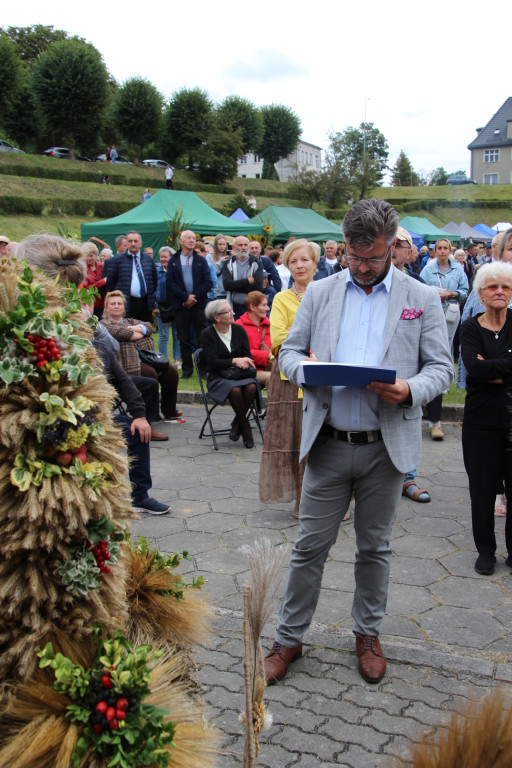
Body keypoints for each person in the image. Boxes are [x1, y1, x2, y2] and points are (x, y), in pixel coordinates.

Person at [263, 199, 453, 687]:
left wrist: (410, 389)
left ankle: (367, 634)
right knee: (309, 546)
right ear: (344, 247)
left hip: (385, 449)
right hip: (327, 443)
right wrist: (307, 370)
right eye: (354, 256)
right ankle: (289, 638)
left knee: (375, 548)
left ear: (393, 248)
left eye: (372, 258)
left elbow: (442, 370)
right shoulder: (322, 291)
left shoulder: (421, 296)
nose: (362, 267)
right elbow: (286, 352)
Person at [258, 239, 320, 518]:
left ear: (315, 263)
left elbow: (334, 333)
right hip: (289, 379)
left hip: (322, 374)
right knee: (294, 440)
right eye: (293, 261)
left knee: (324, 441)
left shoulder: (327, 293)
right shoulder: (282, 298)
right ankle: (300, 500)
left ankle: (329, 502)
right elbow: (279, 338)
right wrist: (308, 335)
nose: (299, 265)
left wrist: (298, 332)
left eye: (304, 259)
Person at [460, 261, 512, 575]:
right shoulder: (469, 328)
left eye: (505, 286)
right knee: (481, 489)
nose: (499, 292)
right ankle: (486, 552)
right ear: (481, 294)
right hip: (479, 421)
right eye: (492, 287)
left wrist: (489, 367)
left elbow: (483, 369)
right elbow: (473, 370)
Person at [100, 290, 184, 424]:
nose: (116, 306)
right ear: (106, 307)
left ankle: (169, 411)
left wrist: (134, 329)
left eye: (119, 303)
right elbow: (124, 334)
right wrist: (138, 331)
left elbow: (149, 327)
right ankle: (151, 415)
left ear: (123, 307)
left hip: (146, 358)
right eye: (113, 304)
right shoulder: (104, 324)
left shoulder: (129, 320)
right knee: (150, 375)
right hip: (126, 364)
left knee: (171, 372)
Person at [391, 227, 431, 503]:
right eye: (389, 243)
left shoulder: (420, 288)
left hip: (408, 374)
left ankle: (408, 478)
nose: (393, 249)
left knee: (408, 421)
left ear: (410, 252)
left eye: (399, 244)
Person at [420, 238, 468, 440]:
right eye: (438, 248)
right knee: (426, 356)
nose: (441, 251)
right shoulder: (428, 269)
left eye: (444, 248)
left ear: (450, 251)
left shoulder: (458, 270)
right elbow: (419, 288)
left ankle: (436, 418)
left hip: (450, 314)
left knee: (444, 352)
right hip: (431, 315)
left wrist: (452, 293)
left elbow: (465, 291)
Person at [201, 300, 259, 448]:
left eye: (231, 310)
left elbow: (247, 354)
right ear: (217, 317)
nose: (232, 313)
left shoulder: (239, 330)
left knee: (252, 387)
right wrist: (235, 360)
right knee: (235, 390)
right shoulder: (207, 335)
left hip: (240, 374)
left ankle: (237, 423)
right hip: (219, 377)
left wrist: (244, 361)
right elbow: (212, 362)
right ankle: (245, 428)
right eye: (228, 311)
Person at [166, 229, 212, 379]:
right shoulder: (173, 260)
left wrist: (194, 297)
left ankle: (202, 369)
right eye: (188, 238)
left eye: (193, 238)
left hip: (198, 305)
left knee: (202, 337)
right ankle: (187, 369)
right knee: (183, 338)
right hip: (181, 306)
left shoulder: (201, 260)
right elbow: (170, 283)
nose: (192, 240)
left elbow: (208, 282)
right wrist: (185, 298)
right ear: (181, 241)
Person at [105, 231, 158, 323]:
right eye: (130, 241)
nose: (133, 244)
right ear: (126, 243)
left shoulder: (149, 260)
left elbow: (154, 281)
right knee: (127, 332)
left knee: (145, 332)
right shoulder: (117, 260)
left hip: (145, 304)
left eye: (135, 241)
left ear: (140, 243)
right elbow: (110, 284)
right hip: (126, 304)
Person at [235, 291, 273, 388]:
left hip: (269, 367)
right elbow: (240, 354)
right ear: (252, 307)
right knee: (272, 377)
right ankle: (274, 404)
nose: (267, 308)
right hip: (248, 371)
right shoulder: (238, 326)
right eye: (264, 305)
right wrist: (267, 355)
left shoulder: (269, 325)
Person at [222, 236, 264, 319]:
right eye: (240, 245)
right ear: (234, 248)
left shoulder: (256, 263)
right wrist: (247, 281)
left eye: (245, 245)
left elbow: (258, 286)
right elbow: (227, 285)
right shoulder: (228, 263)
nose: (243, 248)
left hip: (252, 308)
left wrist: (235, 286)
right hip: (234, 308)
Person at [81, 242, 107, 319]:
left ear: (96, 255)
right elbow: (87, 288)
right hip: (91, 304)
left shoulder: (102, 266)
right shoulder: (82, 269)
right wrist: (103, 281)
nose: (89, 258)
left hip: (104, 302)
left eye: (91, 256)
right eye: (86, 256)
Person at [212, 233, 230, 299]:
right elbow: (212, 273)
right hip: (216, 292)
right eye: (220, 244)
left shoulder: (228, 255)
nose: (222, 246)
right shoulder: (210, 256)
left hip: (228, 291)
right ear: (216, 245)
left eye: (224, 244)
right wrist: (220, 262)